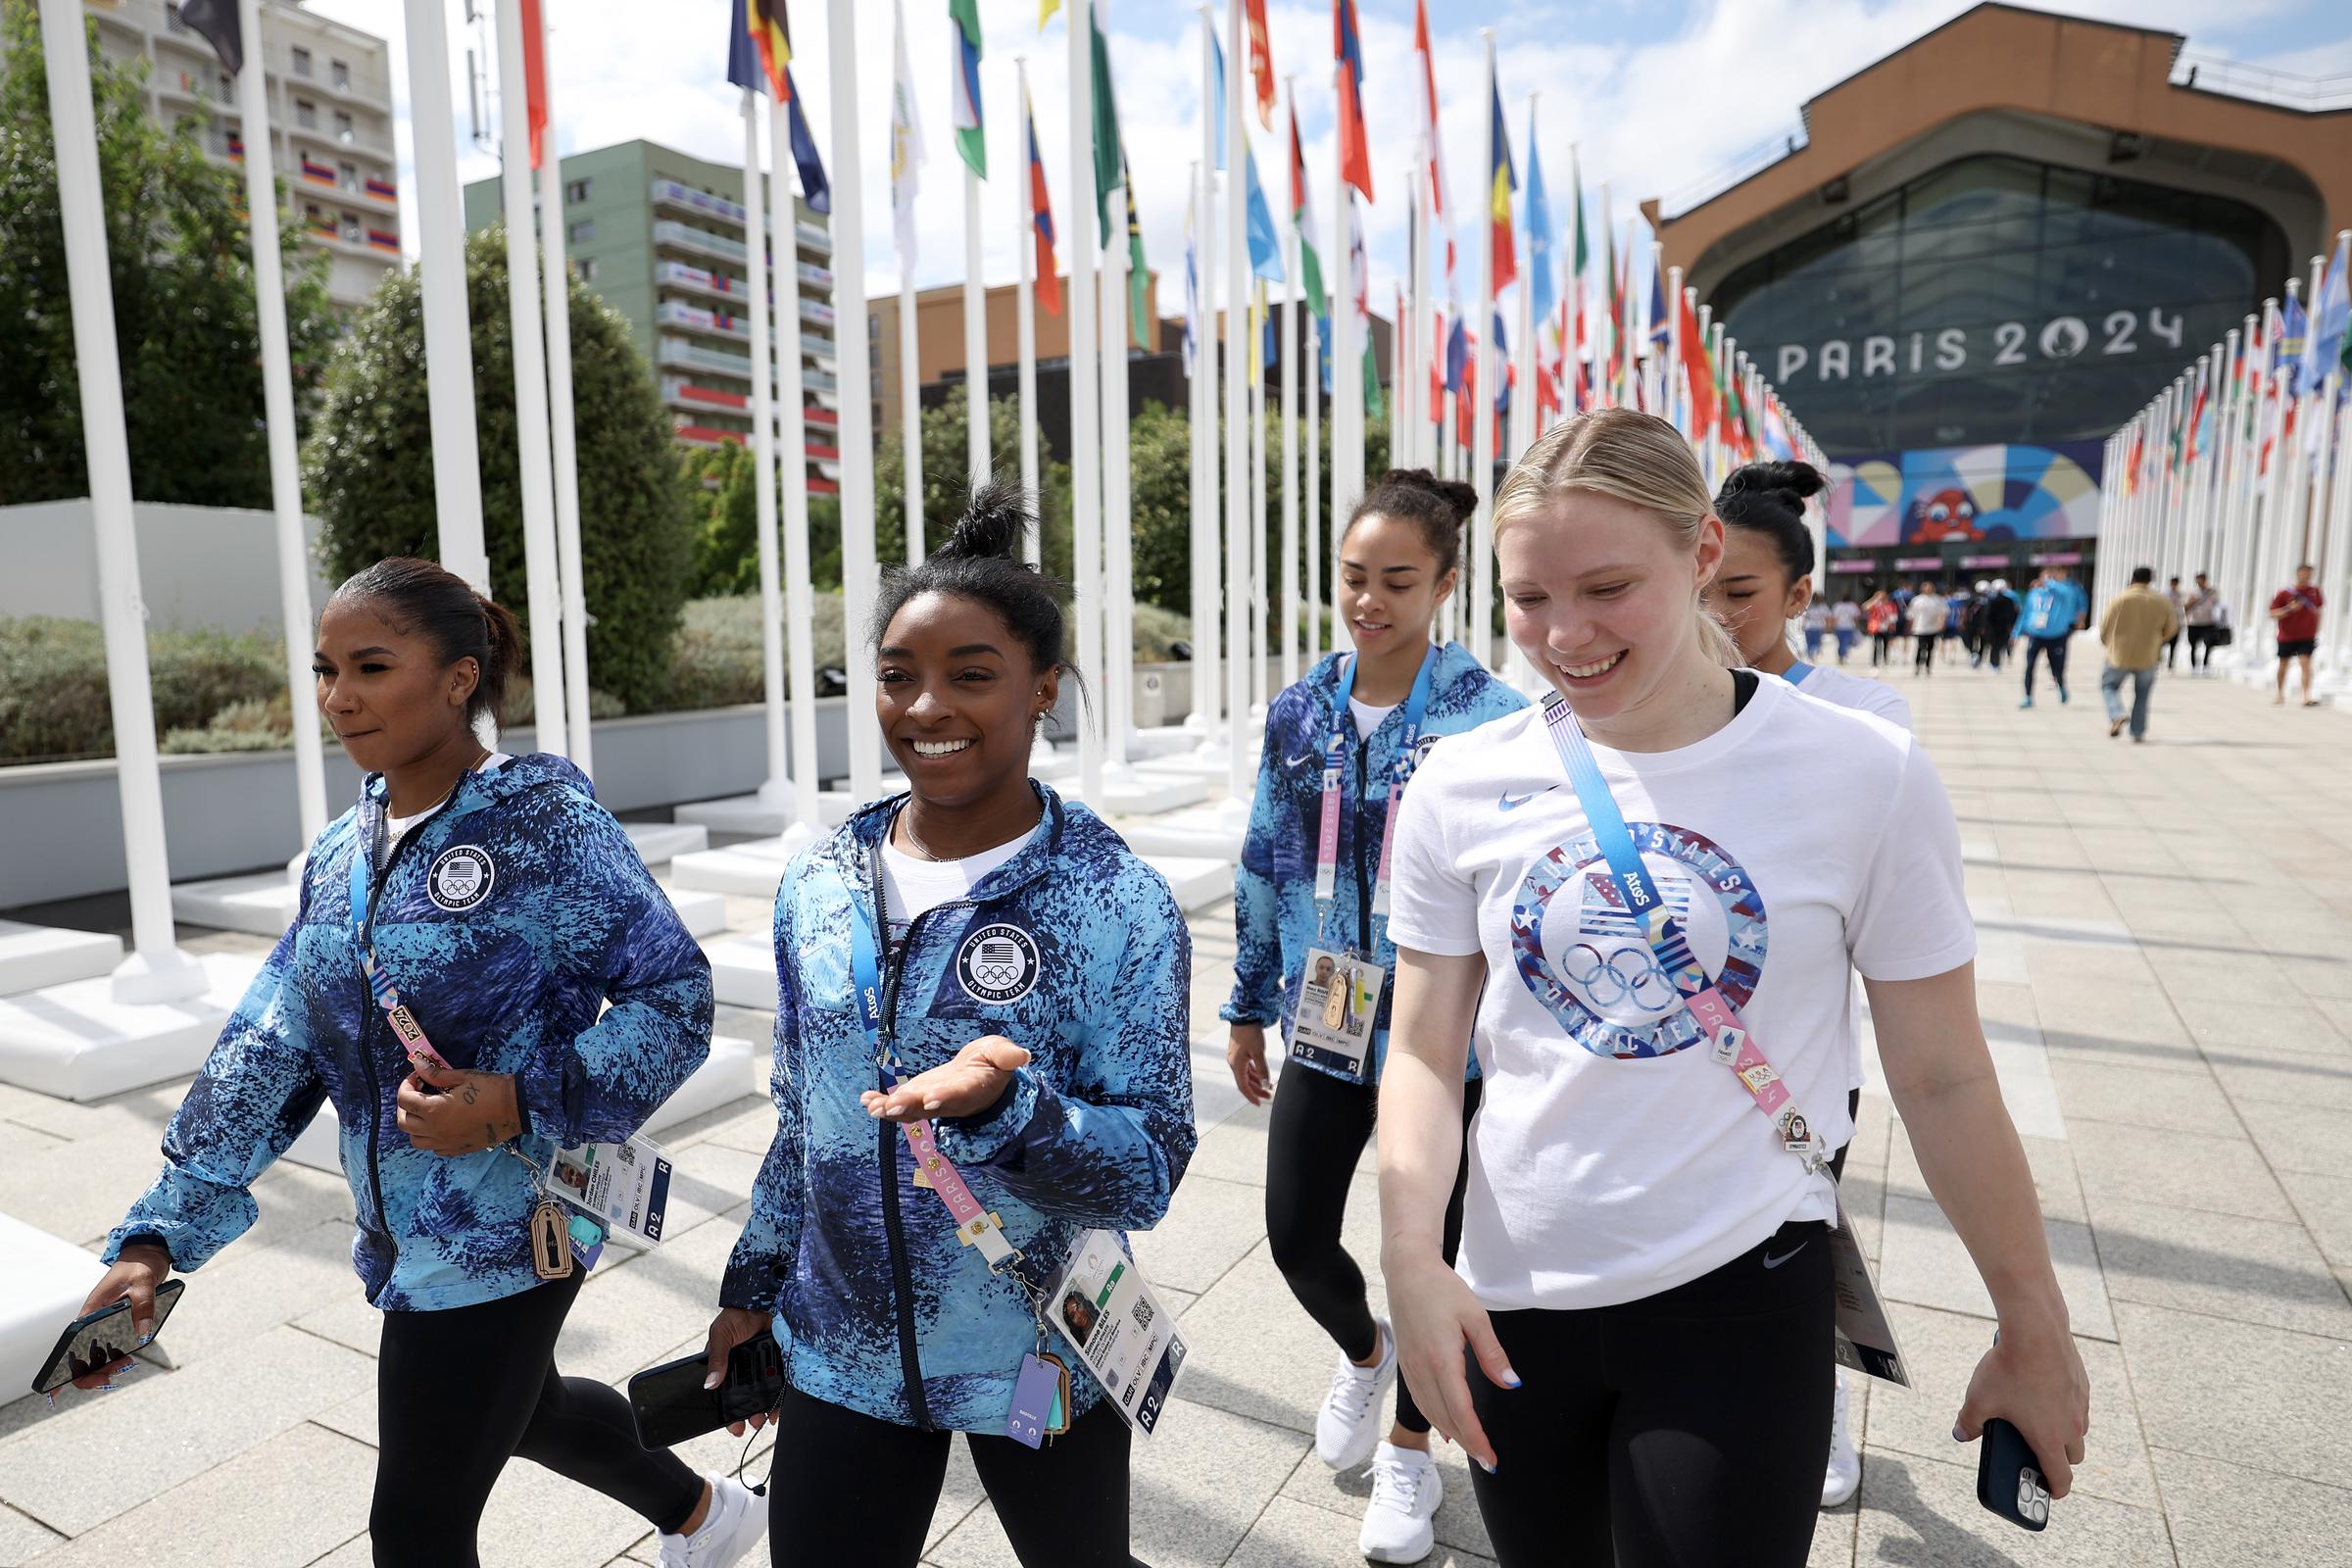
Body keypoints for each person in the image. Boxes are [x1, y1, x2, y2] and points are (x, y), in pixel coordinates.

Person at [1373, 411, 2088, 1568]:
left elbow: (1946, 1074)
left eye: (1608, 587)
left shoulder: (1862, 772)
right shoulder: (1461, 782)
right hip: (1512, 1303)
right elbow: (1419, 1050)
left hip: (1739, 1294)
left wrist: (2033, 1319)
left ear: (1705, 552)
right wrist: (1412, 1255)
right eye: (1528, 598)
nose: (1565, 634)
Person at [77, 559, 743, 1568]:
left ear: (459, 678)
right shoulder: (341, 855)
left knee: (417, 1526)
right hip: (401, 1232)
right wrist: (159, 1236)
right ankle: (708, 1515)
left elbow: (675, 997)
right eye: (326, 669)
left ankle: (705, 1516)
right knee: (525, 1409)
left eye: (372, 666)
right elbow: (273, 1040)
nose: (338, 697)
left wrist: (520, 1098)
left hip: (511, 1229)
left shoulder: (545, 828)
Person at [705, 482, 1197, 1568]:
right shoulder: (819, 884)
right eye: (897, 677)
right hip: (841, 1350)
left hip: (1036, 1338)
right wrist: (754, 1283)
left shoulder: (1113, 901)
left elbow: (1152, 1162)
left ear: (1043, 689)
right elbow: (804, 1119)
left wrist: (1010, 1112)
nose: (927, 708)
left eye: (971, 676)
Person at [1224, 469, 1529, 1564]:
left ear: (1446, 583)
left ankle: (1410, 1452)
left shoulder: (1494, 719)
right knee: (1297, 1234)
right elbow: (1264, 859)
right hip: (1329, 1010)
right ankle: (1364, 1353)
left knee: (1436, 1250)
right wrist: (1247, 1004)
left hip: (1450, 1036)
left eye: (1398, 580)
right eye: (1355, 577)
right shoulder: (1300, 709)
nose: (1370, 599)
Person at [1710, 459, 1913, 1508]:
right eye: (1698, 585)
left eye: (1739, 593)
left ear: (1798, 596)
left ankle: (1821, 1416)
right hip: (1667, 1047)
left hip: (1794, 1059)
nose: (1712, 612)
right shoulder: (1643, 704)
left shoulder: (1859, 716)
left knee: (1798, 1241)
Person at [2098, 566, 2181, 743]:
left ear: (2132, 579)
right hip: (2148, 654)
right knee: (2142, 693)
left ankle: (2117, 713)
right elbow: (2172, 627)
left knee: (2109, 686)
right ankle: (2137, 731)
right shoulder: (2161, 601)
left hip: (2119, 654)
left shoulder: (2120, 598)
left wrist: (2108, 643)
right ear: (2150, 580)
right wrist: (2158, 641)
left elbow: (2105, 625)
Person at [2018, 564, 2088, 709]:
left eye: (2051, 575)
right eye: (2045, 576)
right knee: (2030, 666)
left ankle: (2061, 684)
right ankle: (2028, 697)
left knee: (2057, 666)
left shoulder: (2068, 589)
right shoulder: (2035, 593)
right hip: (2036, 634)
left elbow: (2072, 598)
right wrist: (2016, 633)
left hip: (2058, 634)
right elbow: (2026, 613)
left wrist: (2051, 584)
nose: (2047, 579)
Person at [2270, 564, 2325, 706]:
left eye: (2309, 574)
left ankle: (2306, 695)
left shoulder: (2315, 591)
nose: (2306, 577)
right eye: (2304, 573)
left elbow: (2318, 611)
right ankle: (2279, 693)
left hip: (2307, 635)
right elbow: (2272, 613)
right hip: (2286, 635)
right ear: (2298, 574)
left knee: (2305, 663)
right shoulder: (2284, 593)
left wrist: (2317, 628)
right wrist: (2290, 608)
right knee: (2284, 664)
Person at [2182, 572, 2223, 673]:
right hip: (2194, 623)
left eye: (2202, 580)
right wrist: (2193, 601)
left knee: (2208, 644)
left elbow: (2217, 605)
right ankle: (2194, 666)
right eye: (2198, 580)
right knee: (2193, 645)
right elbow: (2185, 607)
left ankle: (2205, 665)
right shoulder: (2192, 592)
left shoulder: (2212, 592)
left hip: (2208, 622)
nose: (2200, 582)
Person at [1906, 579, 1949, 676]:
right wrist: (1909, 627)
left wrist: (1942, 623)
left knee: (1930, 649)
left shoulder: (1938, 600)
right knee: (1920, 647)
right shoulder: (1917, 600)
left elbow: (1943, 613)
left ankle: (1928, 667)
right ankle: (1917, 666)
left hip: (1933, 628)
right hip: (1920, 628)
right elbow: (1911, 614)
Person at [1982, 577, 2022, 671]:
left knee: (1994, 646)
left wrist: (1985, 625)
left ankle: (1994, 663)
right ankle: (1999, 661)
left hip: (1993, 626)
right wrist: (2012, 625)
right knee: (2000, 645)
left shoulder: (1990, 600)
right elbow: (2014, 613)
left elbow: (1987, 614)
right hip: (2005, 626)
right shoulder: (2009, 599)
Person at [1863, 590, 1898, 667]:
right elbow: (1865, 607)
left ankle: (1885, 660)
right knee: (1876, 645)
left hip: (1887, 628)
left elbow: (1894, 616)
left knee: (1886, 645)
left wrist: (1893, 627)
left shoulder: (1891, 605)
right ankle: (1875, 661)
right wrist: (1874, 599)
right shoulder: (1875, 605)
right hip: (1876, 628)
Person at [2163, 576, 2187, 669]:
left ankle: (2170, 661)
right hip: (2166, 622)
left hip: (2177, 621)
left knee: (2174, 643)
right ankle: (2158, 659)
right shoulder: (2165, 594)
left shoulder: (2181, 594)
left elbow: (2183, 607)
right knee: (2162, 642)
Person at [1829, 597, 1861, 663]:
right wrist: (1857, 626)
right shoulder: (1852, 606)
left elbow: (1834, 618)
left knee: (1841, 643)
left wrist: (1831, 626)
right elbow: (1856, 617)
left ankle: (1841, 655)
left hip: (1839, 627)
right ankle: (1843, 655)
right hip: (1849, 627)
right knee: (1846, 642)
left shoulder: (1837, 606)